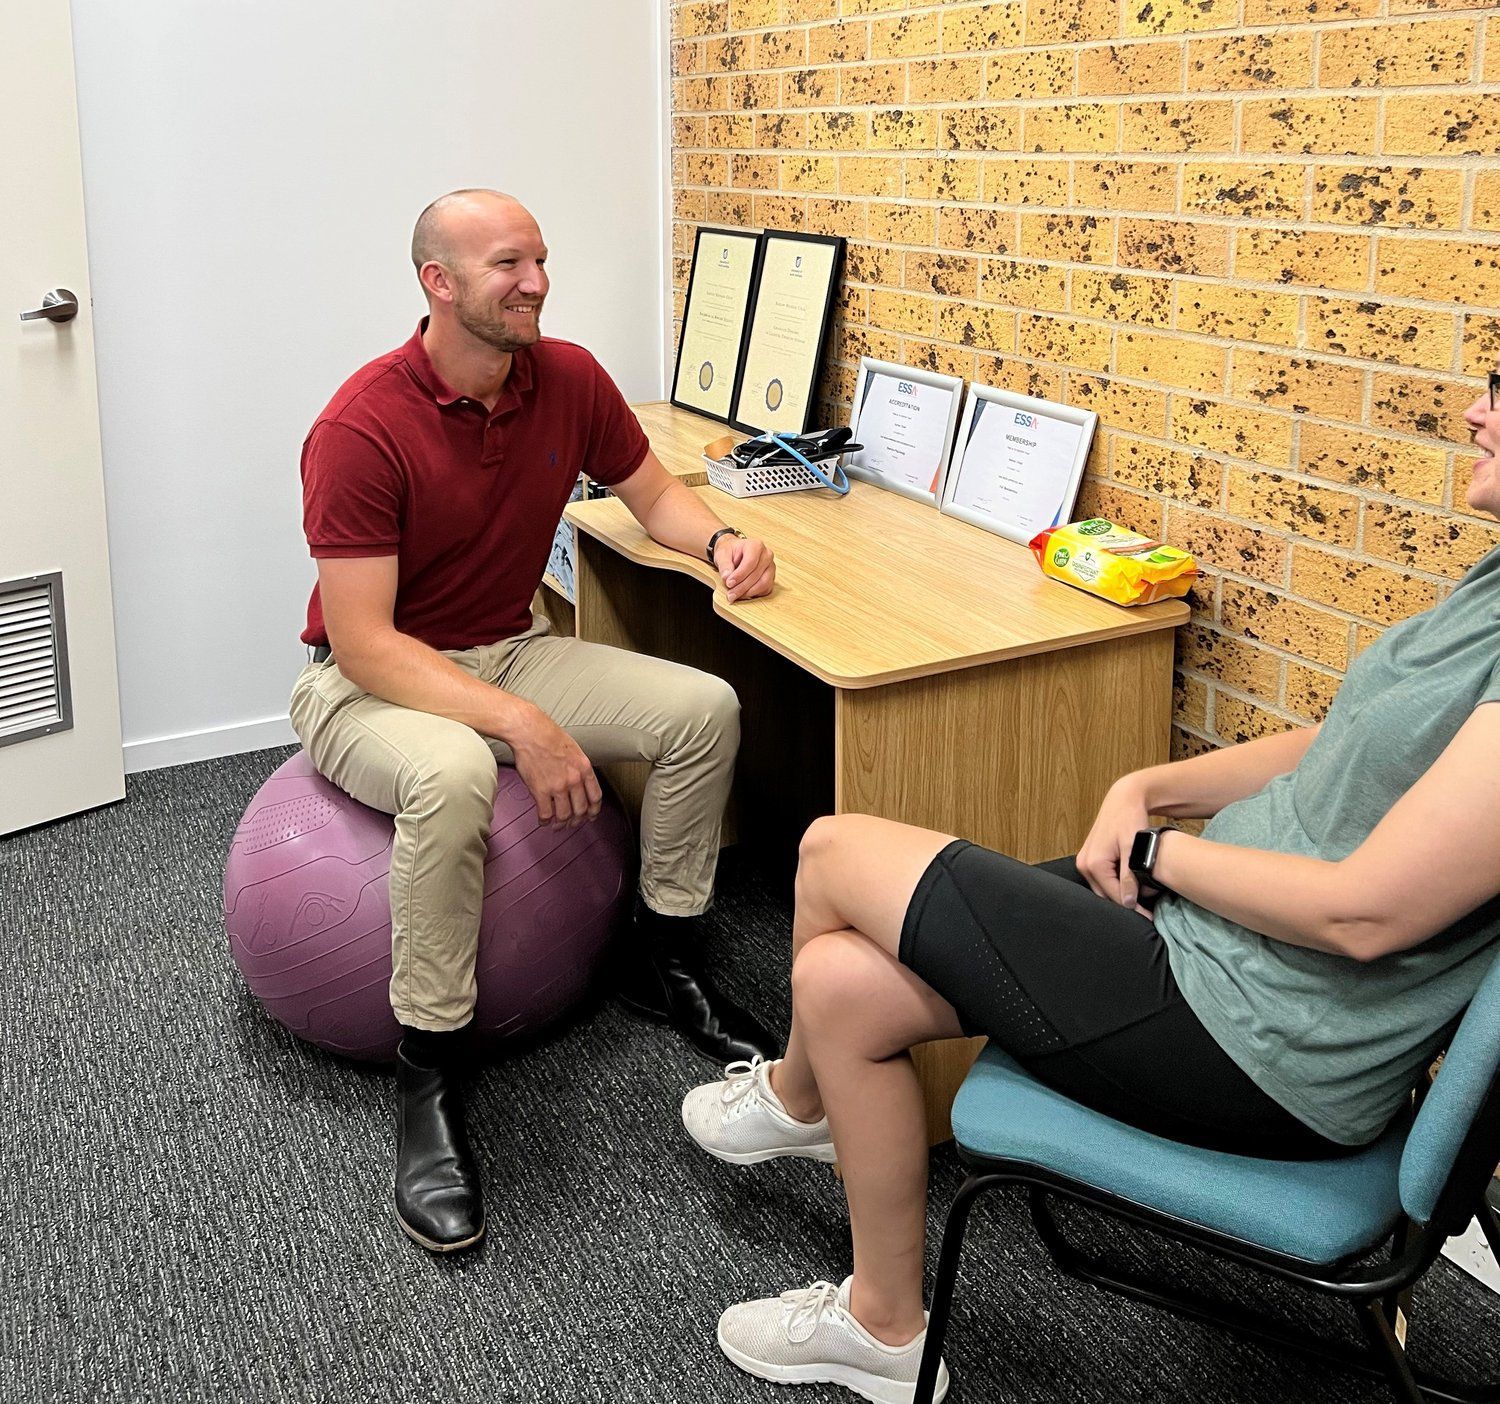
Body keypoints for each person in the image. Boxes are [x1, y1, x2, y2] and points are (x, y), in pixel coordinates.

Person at [681, 373, 1500, 1403]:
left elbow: (1366, 913)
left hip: (1262, 1037)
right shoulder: (1492, 584)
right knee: (839, 988)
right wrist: (1150, 785)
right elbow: (1342, 747)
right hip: (1213, 945)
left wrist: (1159, 855)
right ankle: (884, 1330)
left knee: (832, 851)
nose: (1474, 412)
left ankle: (798, 1100)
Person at [290, 189, 778, 1254]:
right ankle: (430, 1073)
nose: (538, 283)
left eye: (542, 260)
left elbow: (653, 495)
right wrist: (521, 724)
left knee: (704, 709)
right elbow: (366, 643)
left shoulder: (568, 378)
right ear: (439, 281)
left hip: (511, 647)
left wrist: (719, 543)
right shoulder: (360, 426)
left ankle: (665, 954)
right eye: (510, 264)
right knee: (454, 776)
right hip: (367, 683)